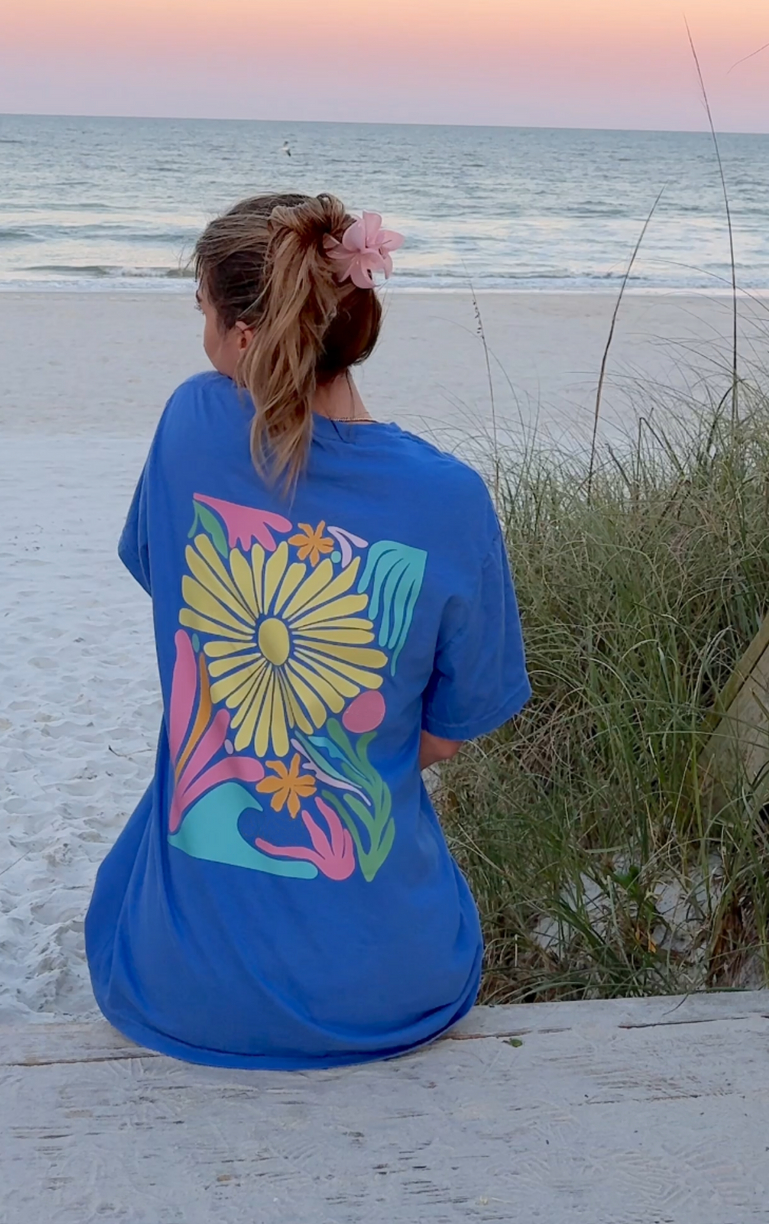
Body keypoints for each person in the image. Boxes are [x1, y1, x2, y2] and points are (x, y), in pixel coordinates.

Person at [86, 194, 530, 1070]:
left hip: (179, 987)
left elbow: (175, 601)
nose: (204, 342)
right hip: (387, 988)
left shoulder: (192, 426)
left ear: (245, 339)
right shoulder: (450, 501)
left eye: (206, 317)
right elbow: (440, 734)